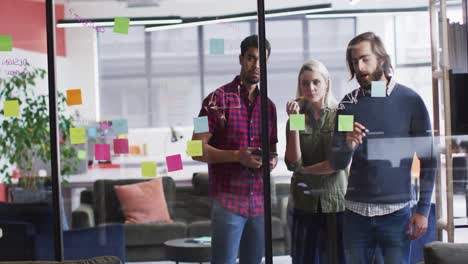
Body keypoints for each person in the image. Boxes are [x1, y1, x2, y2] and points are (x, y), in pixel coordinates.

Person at [330, 32, 437, 264]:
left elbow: (429, 160)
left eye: (365, 59)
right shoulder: (348, 105)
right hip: (355, 215)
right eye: (354, 62)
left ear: (382, 59)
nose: (359, 67)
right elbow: (337, 162)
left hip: (397, 215)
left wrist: (423, 210)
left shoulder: (410, 101)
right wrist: (348, 145)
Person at [192, 35, 278, 264]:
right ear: (241, 59)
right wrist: (237, 156)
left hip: (260, 204)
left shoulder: (269, 107)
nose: (256, 65)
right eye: (251, 58)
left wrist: (272, 160)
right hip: (228, 204)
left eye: (262, 60)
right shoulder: (214, 100)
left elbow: (272, 150)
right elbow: (194, 148)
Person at [285, 60, 347, 264]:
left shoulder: (344, 114)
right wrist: (294, 120)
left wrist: (305, 171)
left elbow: (339, 162)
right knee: (305, 259)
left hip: (336, 202)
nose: (310, 88)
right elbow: (293, 164)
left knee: (337, 259)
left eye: (315, 82)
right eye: (304, 83)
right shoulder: (296, 117)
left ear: (327, 83)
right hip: (305, 202)